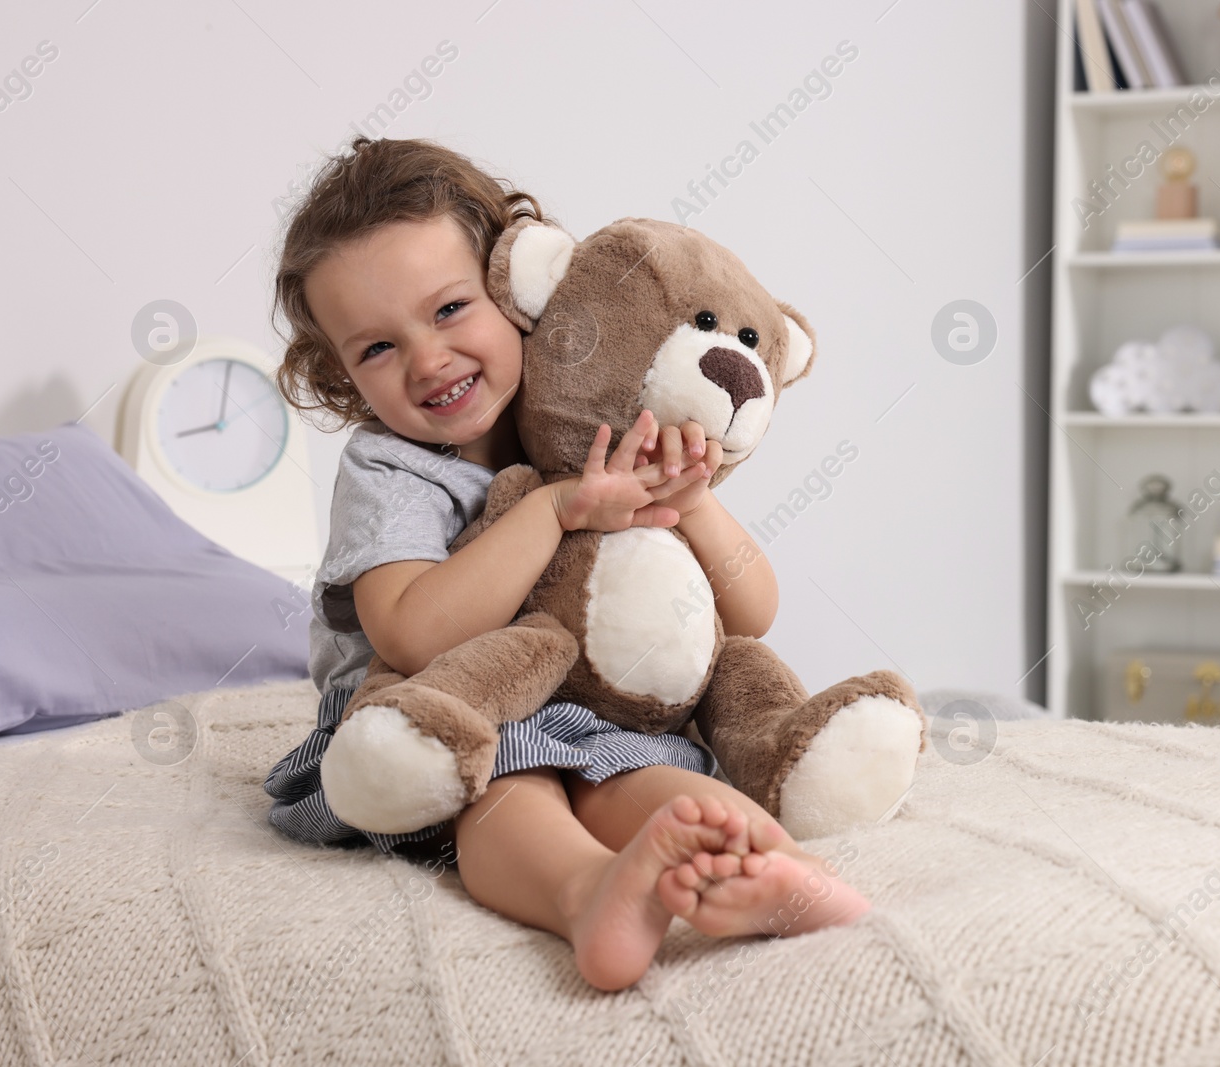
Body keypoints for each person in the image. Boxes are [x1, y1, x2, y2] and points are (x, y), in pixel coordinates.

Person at [262, 136, 868, 991]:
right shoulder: (390, 468)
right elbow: (409, 627)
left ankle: (764, 868)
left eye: (446, 311)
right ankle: (588, 895)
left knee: (640, 769)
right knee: (512, 778)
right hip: (437, 713)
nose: (428, 360)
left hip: (585, 697)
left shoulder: (589, 418)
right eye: (376, 349)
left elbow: (751, 611)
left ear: (513, 291)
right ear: (341, 374)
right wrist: (555, 509)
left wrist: (688, 500)